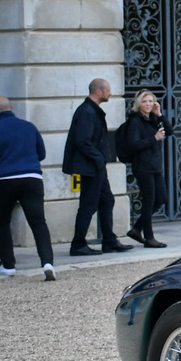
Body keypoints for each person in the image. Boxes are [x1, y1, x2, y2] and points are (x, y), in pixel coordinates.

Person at [0, 97, 56, 280]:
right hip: (32, 177)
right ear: (11, 108)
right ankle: (47, 263)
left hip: (6, 179)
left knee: (2, 222)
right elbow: (41, 153)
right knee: (38, 222)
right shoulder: (29, 126)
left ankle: (8, 265)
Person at [62, 78, 129, 256]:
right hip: (90, 167)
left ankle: (109, 240)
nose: (110, 93)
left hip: (95, 166)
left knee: (107, 200)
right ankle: (78, 244)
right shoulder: (87, 112)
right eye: (108, 89)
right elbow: (82, 140)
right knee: (88, 205)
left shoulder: (92, 110)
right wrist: (99, 158)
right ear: (98, 91)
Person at [120, 90, 171, 248]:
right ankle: (149, 238)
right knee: (149, 201)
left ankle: (136, 229)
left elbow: (170, 131)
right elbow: (133, 144)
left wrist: (160, 114)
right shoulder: (135, 121)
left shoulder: (153, 119)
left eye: (150, 101)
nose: (148, 104)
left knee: (160, 198)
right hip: (142, 166)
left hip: (154, 165)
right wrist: (153, 138)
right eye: (145, 101)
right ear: (138, 104)